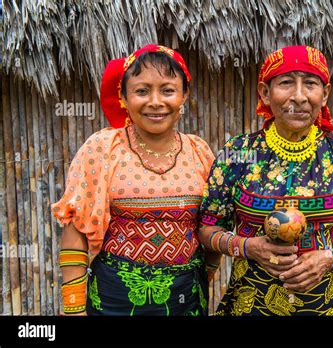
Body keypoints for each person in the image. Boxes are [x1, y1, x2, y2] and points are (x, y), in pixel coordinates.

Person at [199, 45, 333, 316]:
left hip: (329, 307)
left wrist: (329, 258)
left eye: (310, 84)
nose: (299, 96)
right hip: (252, 305)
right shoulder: (239, 153)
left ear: (325, 95)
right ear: (265, 92)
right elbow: (208, 228)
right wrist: (249, 247)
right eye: (286, 83)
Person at [52, 44, 217, 316]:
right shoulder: (104, 148)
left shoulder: (199, 151)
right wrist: (73, 307)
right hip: (115, 299)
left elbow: (212, 223)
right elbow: (76, 228)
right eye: (142, 91)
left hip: (185, 298)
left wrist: (204, 276)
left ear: (184, 94)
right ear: (124, 97)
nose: (155, 101)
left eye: (167, 90)